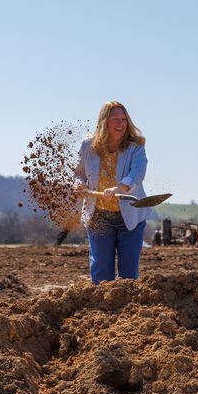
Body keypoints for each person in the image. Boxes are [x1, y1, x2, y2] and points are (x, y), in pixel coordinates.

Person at [74, 101, 154, 284]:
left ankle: (127, 309)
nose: (121, 124)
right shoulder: (88, 146)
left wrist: (119, 188)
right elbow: (78, 173)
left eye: (124, 120)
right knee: (101, 268)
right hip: (98, 216)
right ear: (104, 122)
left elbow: (137, 173)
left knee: (129, 270)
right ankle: (101, 308)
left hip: (130, 217)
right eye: (115, 120)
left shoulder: (136, 145)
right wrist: (79, 185)